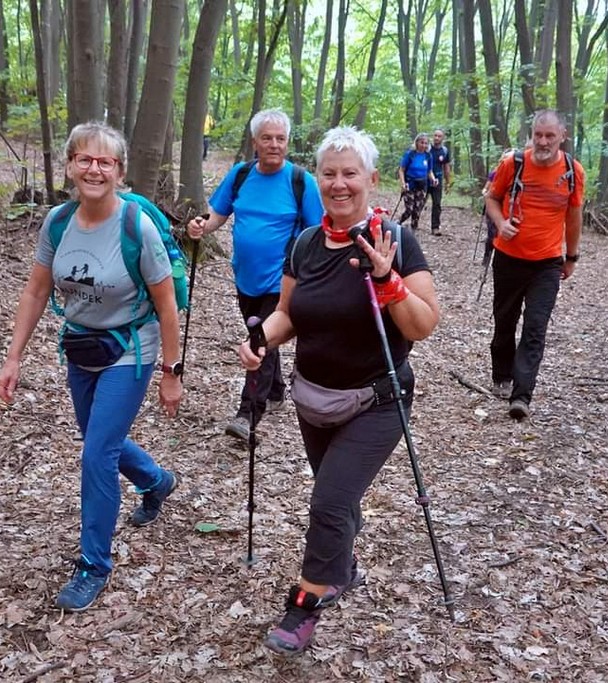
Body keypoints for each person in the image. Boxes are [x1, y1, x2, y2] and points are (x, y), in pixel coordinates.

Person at [238, 126, 439, 657]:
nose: (339, 183)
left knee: (328, 500)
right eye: (329, 173)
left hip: (378, 400)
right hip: (315, 399)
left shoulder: (397, 241)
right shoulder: (305, 244)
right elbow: (287, 315)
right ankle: (343, 568)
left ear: (372, 179)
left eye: (350, 173)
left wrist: (387, 280)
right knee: (339, 493)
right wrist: (261, 340)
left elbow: (422, 325)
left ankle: (305, 603)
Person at [0, 121, 182, 611]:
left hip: (131, 350)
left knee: (96, 453)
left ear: (120, 172)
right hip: (81, 348)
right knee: (96, 437)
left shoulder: (135, 227)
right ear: (71, 166)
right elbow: (37, 291)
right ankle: (157, 480)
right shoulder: (58, 222)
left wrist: (170, 372)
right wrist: (13, 357)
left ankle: (93, 565)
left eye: (106, 162)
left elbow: (166, 306)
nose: (95, 169)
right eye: (86, 159)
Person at [187, 108, 323, 442]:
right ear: (255, 142)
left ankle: (248, 413)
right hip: (245, 277)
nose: (274, 144)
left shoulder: (300, 181)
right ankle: (275, 390)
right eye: (267, 138)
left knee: (258, 340)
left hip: (281, 280)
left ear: (287, 142)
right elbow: (219, 214)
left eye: (280, 139)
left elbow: (317, 232)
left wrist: (307, 274)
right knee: (263, 339)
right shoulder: (241, 175)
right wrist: (200, 227)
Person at [483, 110, 584, 421]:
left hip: (548, 263)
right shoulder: (513, 163)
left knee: (535, 327)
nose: (543, 141)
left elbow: (574, 214)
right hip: (509, 258)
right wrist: (500, 224)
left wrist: (571, 256)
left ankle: (521, 395)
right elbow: (491, 198)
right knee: (505, 320)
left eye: (549, 136)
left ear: (562, 137)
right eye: (538, 135)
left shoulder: (572, 171)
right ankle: (502, 374)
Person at [396, 133, 435, 232]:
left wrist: (433, 179)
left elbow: (429, 171)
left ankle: (413, 229)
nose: (424, 145)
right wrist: (403, 183)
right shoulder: (410, 154)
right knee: (409, 209)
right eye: (422, 143)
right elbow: (401, 169)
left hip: (422, 185)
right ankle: (398, 223)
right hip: (410, 184)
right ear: (417, 142)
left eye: (426, 143)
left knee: (417, 209)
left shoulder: (428, 156)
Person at [427, 129, 453, 236]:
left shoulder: (445, 151)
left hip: (438, 180)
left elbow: (446, 167)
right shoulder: (427, 148)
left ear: (443, 138)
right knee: (419, 202)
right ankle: (415, 222)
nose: (436, 138)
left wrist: (448, 182)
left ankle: (435, 227)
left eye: (439, 136)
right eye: (435, 135)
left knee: (437, 204)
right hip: (425, 179)